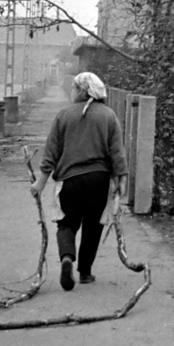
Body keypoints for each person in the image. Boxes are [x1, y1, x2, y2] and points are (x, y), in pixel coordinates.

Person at [32, 72, 127, 291]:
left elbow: (51, 152)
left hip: (69, 181)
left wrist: (40, 182)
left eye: (75, 87)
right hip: (98, 179)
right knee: (93, 226)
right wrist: (120, 180)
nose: (73, 91)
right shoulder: (108, 116)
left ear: (82, 91)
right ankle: (85, 272)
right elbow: (117, 152)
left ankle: (67, 257)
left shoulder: (64, 115)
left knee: (66, 224)